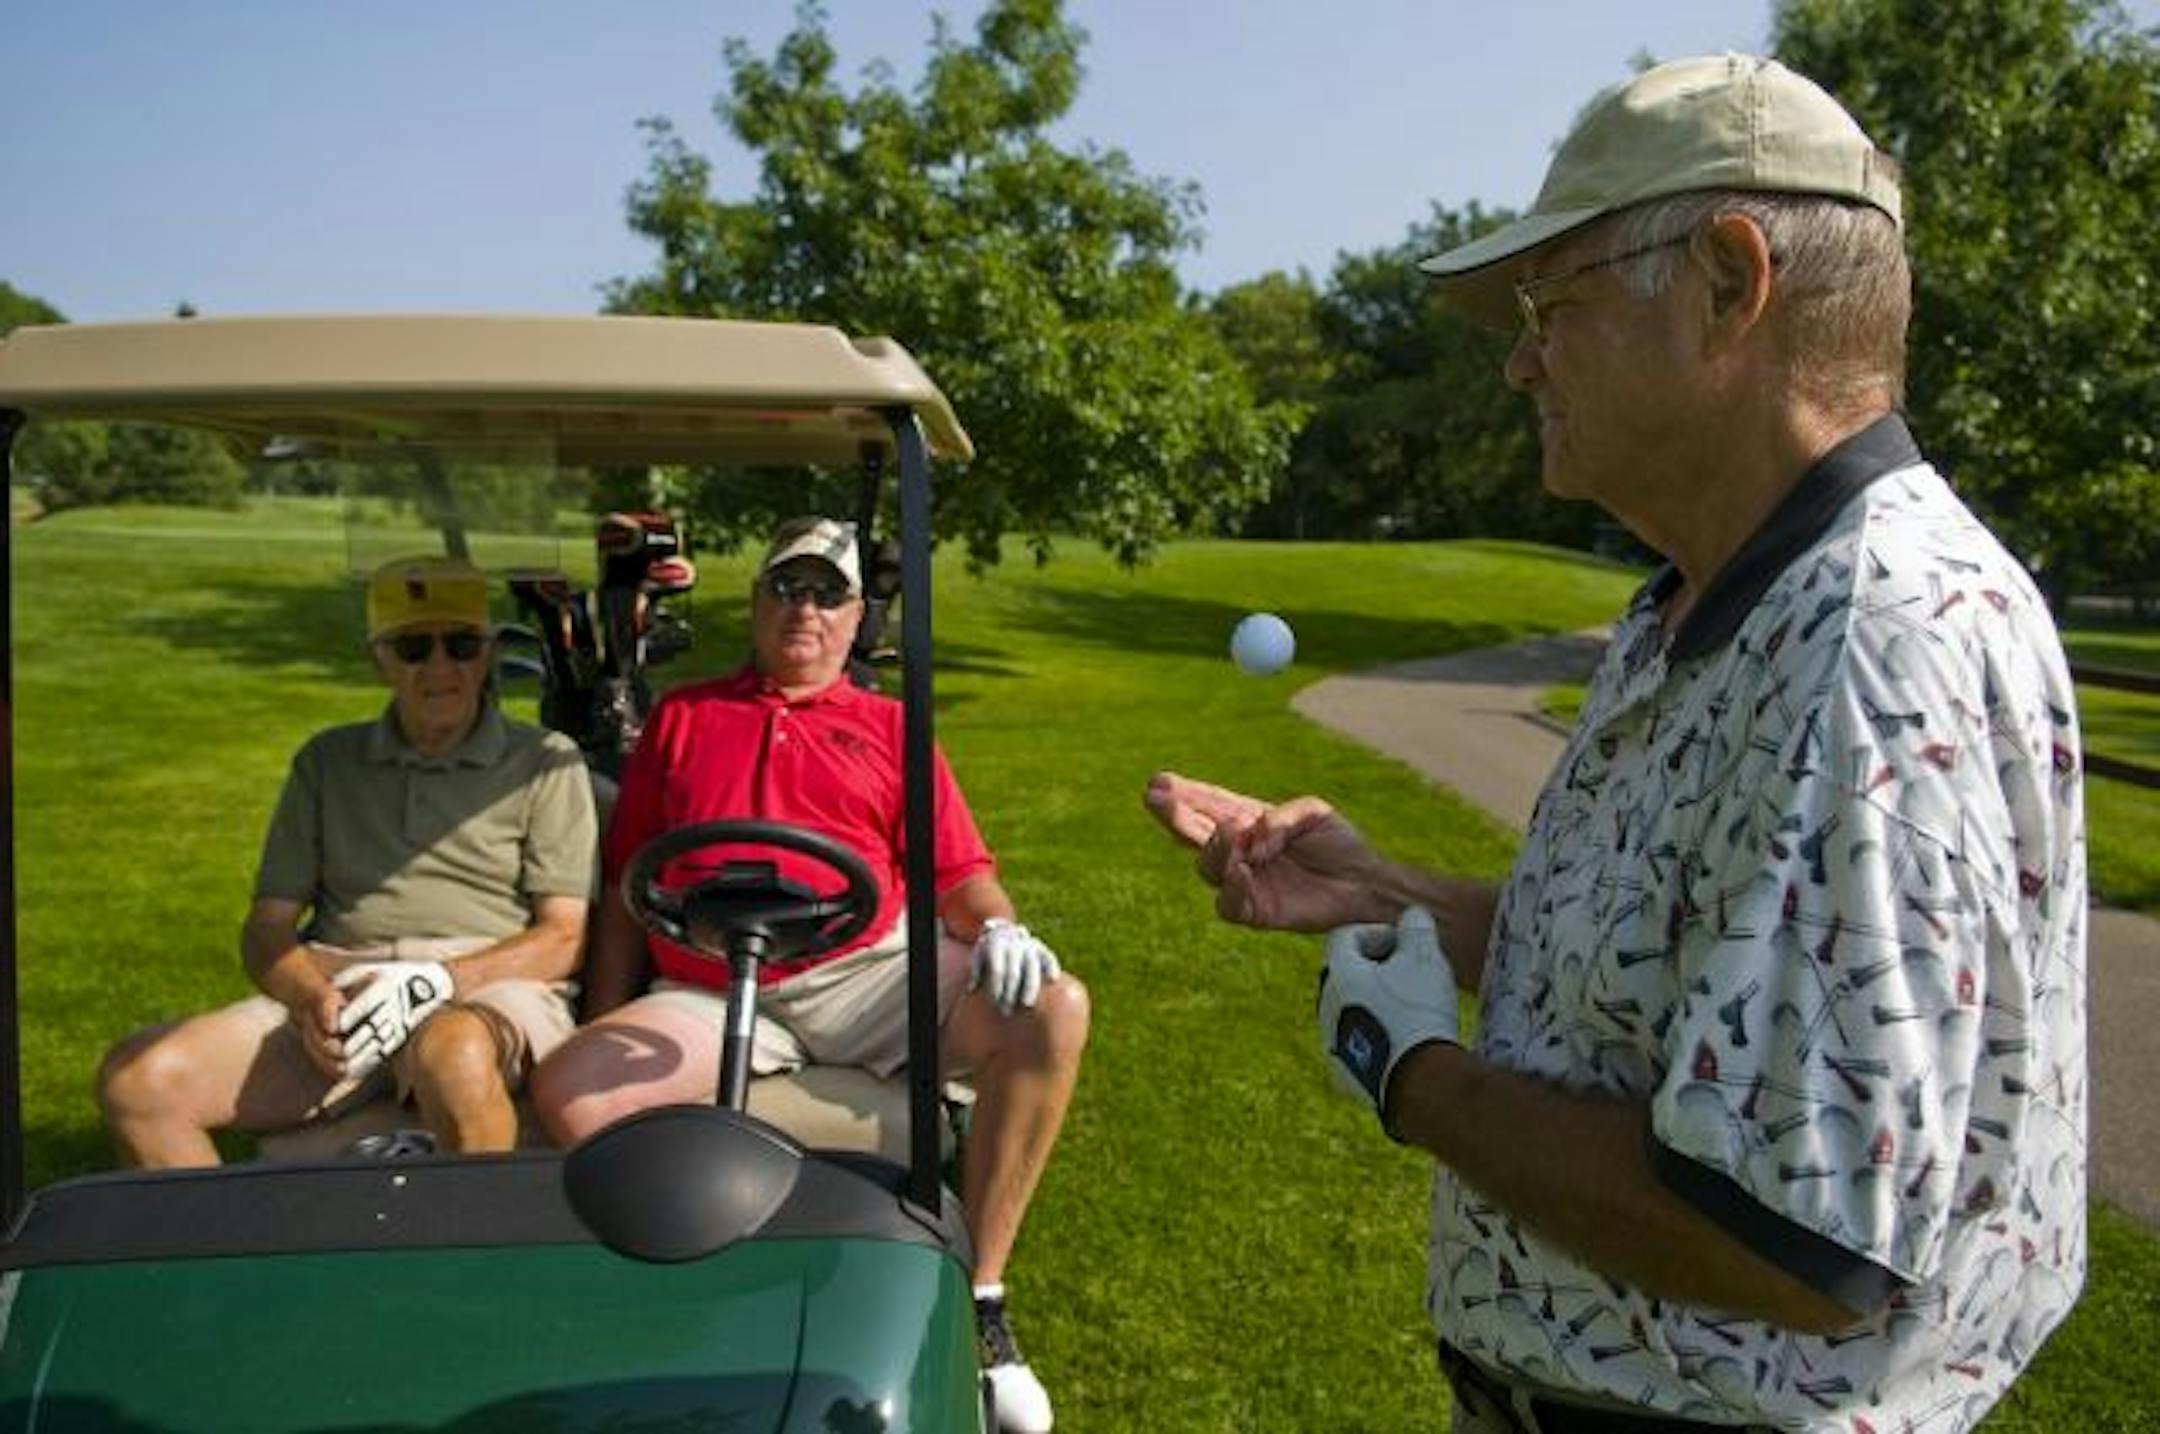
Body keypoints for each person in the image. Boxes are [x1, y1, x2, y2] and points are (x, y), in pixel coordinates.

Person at [1146, 54, 2086, 1434]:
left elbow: (1787, 1239)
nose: (1522, 358)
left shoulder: (1867, 641)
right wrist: (1395, 895)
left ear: (1727, 280)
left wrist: (1409, 1072)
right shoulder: (1704, 599)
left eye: (1552, 306)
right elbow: (1698, 985)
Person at [529, 516, 1088, 1434]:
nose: (807, 610)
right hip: (712, 979)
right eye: (788, 588)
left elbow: (957, 872)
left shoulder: (892, 728)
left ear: (855, 617)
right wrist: (600, 1012)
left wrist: (1001, 929)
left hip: (862, 971)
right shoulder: (685, 717)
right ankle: (687, 1295)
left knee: (1051, 1010)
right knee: (572, 1088)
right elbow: (631, 885)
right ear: (755, 605)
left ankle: (983, 1294)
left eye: (829, 594)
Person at [98, 554, 597, 1163]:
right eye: (414, 648)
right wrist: (311, 999)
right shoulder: (327, 762)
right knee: (139, 1082)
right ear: (379, 659)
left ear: (488, 654)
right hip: (343, 985)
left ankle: (471, 1253)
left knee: (456, 1053)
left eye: (462, 644)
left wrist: (438, 981)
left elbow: (564, 937)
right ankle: (234, 1255)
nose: (442, 667)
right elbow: (268, 927)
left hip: (486, 985)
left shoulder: (545, 760)